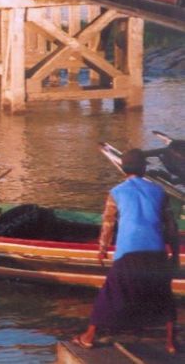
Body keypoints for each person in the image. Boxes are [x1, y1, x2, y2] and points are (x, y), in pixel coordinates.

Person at [73, 149, 179, 355]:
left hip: (128, 253)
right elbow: (171, 227)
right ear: (144, 168)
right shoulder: (159, 191)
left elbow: (108, 224)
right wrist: (174, 254)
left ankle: (88, 337)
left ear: (123, 169)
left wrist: (102, 249)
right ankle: (170, 343)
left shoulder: (116, 192)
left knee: (110, 294)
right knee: (164, 295)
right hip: (155, 252)